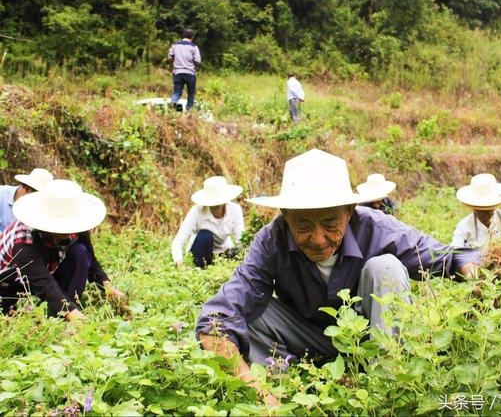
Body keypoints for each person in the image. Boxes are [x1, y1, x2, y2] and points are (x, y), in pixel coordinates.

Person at [195, 149, 481, 403]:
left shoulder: (377, 229)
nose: (318, 240)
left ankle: (386, 380)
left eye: (330, 223)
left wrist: (474, 273)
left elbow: (448, 256)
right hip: (309, 340)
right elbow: (216, 320)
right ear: (285, 214)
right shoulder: (272, 240)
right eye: (303, 225)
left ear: (349, 210)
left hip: (367, 340)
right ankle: (288, 383)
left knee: (386, 268)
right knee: (252, 309)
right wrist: (254, 387)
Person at [0, 179, 125, 319]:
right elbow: (44, 284)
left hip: (48, 269)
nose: (68, 230)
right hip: (10, 283)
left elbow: (91, 261)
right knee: (8, 315)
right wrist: (76, 317)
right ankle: (64, 313)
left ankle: (64, 310)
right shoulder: (23, 241)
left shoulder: (77, 224)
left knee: (80, 252)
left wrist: (108, 288)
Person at [172, 176, 245, 269]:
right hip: (201, 251)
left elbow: (240, 240)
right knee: (205, 236)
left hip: (223, 251)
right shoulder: (196, 211)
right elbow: (178, 241)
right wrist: (179, 262)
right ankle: (201, 268)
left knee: (237, 253)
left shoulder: (235, 210)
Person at [168, 28, 201, 111]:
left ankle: (173, 103)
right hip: (190, 73)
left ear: (183, 36)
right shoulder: (194, 47)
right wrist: (194, 65)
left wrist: (174, 64)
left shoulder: (175, 45)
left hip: (177, 72)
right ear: (192, 37)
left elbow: (169, 57)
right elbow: (198, 61)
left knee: (177, 92)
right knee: (191, 93)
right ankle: (189, 111)